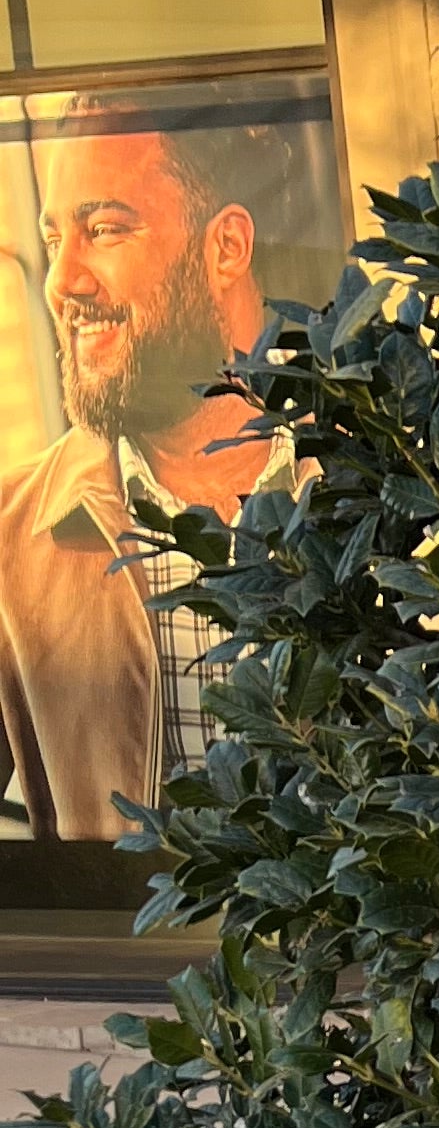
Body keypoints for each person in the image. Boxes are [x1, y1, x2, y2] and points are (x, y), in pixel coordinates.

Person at [0, 113, 294, 843]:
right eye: (52, 239)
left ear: (226, 247)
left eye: (103, 230)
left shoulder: (389, 483)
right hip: (131, 959)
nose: (63, 280)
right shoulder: (10, 537)